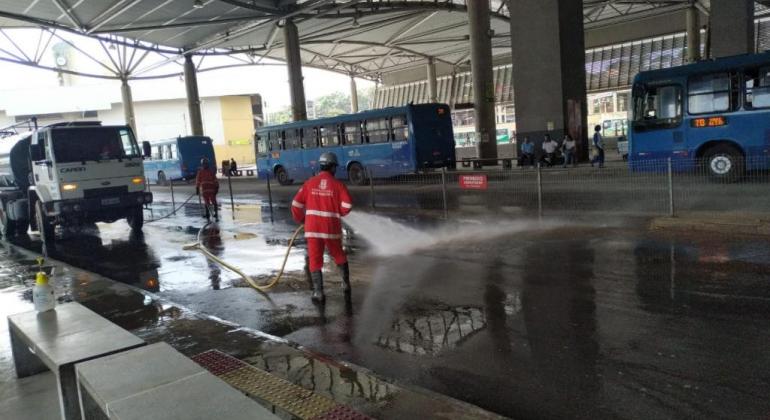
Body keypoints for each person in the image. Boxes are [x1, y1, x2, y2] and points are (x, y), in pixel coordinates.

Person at [291, 152, 353, 303]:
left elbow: (295, 205)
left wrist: (302, 220)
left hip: (312, 228)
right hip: (330, 228)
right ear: (332, 167)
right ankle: (345, 284)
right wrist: (338, 212)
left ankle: (318, 292)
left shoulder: (309, 183)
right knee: (338, 254)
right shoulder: (338, 185)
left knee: (315, 258)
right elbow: (347, 205)